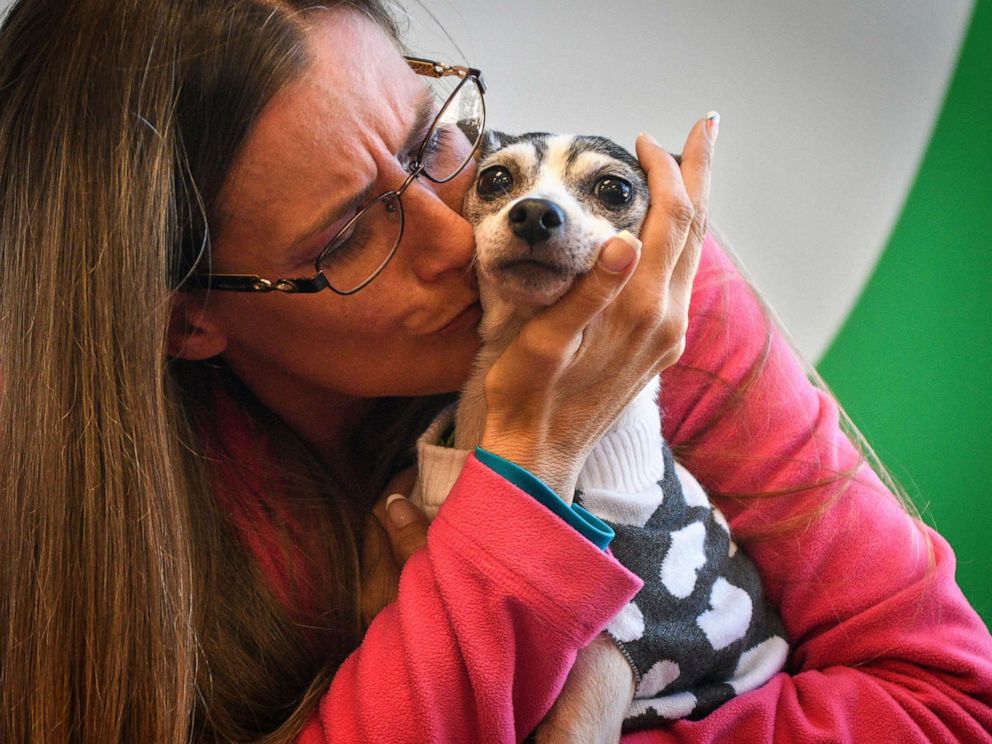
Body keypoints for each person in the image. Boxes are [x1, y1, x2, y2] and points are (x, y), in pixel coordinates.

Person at [0, 1, 989, 743]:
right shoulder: (100, 532)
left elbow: (946, 700)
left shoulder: (627, 270)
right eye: (351, 232)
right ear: (187, 319)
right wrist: (527, 460)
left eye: (434, 142)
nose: (459, 230)